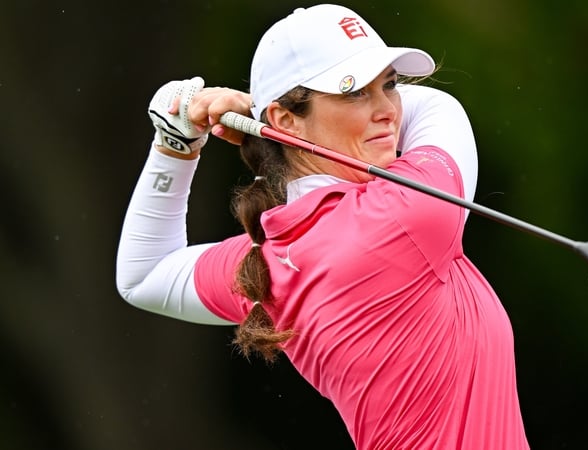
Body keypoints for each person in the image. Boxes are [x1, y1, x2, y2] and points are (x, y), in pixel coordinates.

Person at [116, 4, 529, 449]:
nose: (388, 109)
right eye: (354, 92)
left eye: (389, 85)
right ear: (287, 121)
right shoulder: (404, 214)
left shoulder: (271, 255)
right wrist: (256, 114)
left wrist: (175, 145)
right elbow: (438, 105)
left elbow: (144, 274)